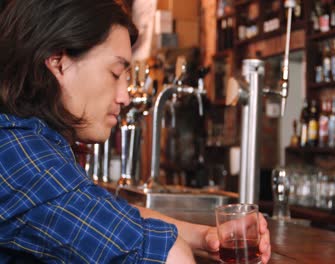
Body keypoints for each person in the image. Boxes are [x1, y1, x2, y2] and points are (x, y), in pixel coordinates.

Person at [0, 0, 271, 263]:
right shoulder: (20, 156)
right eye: (116, 73)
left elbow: (107, 214)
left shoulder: (27, 140)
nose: (124, 97)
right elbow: (165, 257)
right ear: (58, 62)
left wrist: (206, 236)